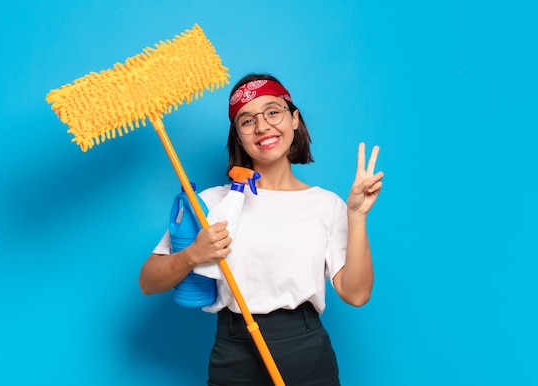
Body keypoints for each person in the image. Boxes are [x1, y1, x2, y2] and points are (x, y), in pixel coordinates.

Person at [139, 73, 384, 385]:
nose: (263, 126)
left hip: (306, 350)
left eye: (273, 111)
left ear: (294, 119)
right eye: (246, 120)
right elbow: (148, 281)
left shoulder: (327, 204)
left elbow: (356, 293)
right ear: (238, 136)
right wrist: (191, 255)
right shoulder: (211, 204)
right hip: (234, 351)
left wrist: (357, 217)